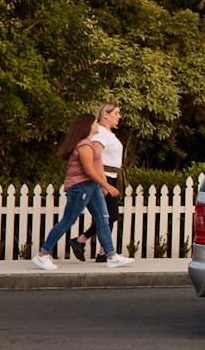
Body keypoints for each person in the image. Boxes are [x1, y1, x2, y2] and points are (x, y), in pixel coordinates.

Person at [32, 114, 135, 270]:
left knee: (103, 219)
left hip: (92, 187)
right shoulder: (83, 146)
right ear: (87, 126)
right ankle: (42, 254)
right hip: (80, 187)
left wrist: (101, 184)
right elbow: (88, 170)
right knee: (68, 220)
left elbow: (98, 163)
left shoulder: (92, 144)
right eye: (95, 122)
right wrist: (107, 185)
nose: (97, 125)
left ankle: (111, 256)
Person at [65, 103, 124, 262]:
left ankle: (101, 252)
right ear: (106, 114)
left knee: (109, 216)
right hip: (103, 176)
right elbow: (96, 157)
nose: (119, 117)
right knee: (109, 215)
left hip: (112, 175)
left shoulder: (110, 134)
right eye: (116, 113)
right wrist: (104, 182)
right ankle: (85, 243)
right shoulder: (101, 134)